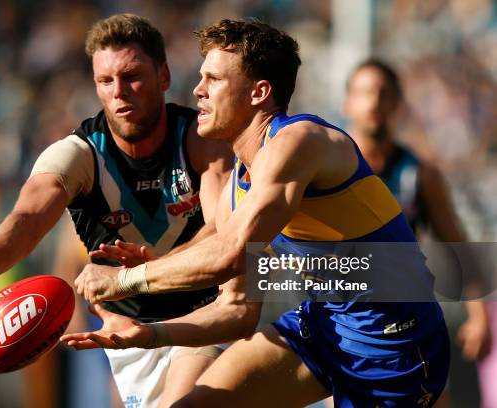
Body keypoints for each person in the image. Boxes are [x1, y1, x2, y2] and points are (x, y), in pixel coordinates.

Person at [65, 19, 450, 407]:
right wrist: (149, 334)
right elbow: (236, 309)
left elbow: (230, 253)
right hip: (325, 325)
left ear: (258, 92)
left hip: (395, 343)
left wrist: (126, 280)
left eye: (213, 79)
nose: (198, 90)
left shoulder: (298, 142)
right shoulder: (239, 182)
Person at [0, 13, 234, 408]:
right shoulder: (79, 154)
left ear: (164, 76)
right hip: (126, 331)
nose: (119, 92)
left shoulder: (200, 140)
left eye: (132, 76)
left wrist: (150, 270)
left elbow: (226, 232)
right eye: (106, 81)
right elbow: (29, 215)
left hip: (202, 317)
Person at [344, 59, 492, 407]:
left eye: (383, 93)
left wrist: (480, 314)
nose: (374, 102)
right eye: (365, 92)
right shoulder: (325, 170)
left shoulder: (417, 176)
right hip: (345, 320)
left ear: (397, 103)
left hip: (408, 320)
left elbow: (458, 246)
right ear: (348, 102)